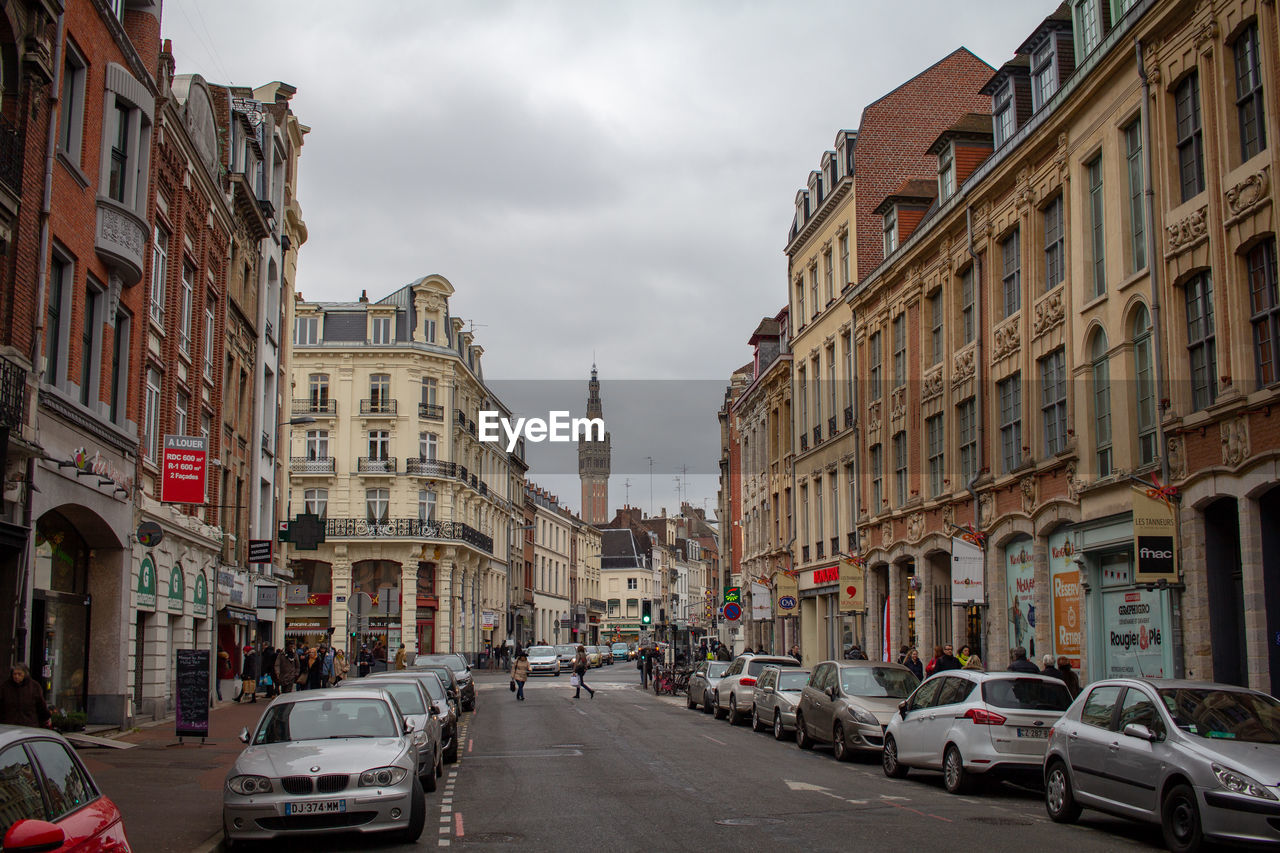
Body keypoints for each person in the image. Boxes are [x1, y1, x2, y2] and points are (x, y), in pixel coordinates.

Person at [0, 663, 51, 728]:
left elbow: (41, 705)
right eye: (14, 674)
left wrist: (46, 718)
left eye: (19, 674)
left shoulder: (34, 686)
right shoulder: (5, 687)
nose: (16, 676)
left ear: (25, 674)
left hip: (28, 725)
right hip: (10, 725)